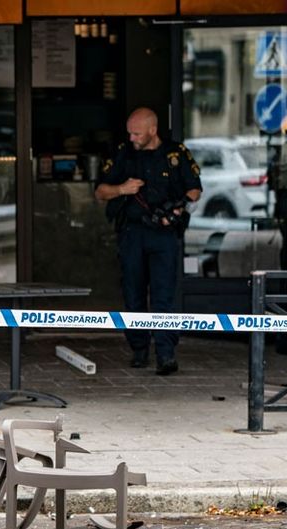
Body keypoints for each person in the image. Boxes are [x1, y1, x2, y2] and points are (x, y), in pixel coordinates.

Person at [94, 107, 202, 376]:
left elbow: (195, 188)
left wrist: (176, 209)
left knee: (164, 295)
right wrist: (122, 189)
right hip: (132, 233)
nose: (131, 138)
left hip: (163, 234)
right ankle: (139, 349)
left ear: (152, 130)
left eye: (136, 133)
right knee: (134, 294)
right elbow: (100, 191)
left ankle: (165, 353)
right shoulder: (123, 153)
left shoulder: (175, 154)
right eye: (129, 132)